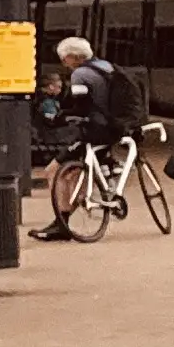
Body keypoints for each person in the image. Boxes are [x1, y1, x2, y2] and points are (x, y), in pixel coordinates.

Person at [38, 37, 121, 240]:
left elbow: (81, 107)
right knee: (74, 174)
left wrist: (60, 117)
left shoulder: (80, 75)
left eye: (64, 58)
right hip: (113, 128)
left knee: (53, 171)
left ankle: (61, 223)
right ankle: (70, 212)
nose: (63, 63)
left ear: (73, 56)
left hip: (92, 132)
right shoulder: (107, 67)